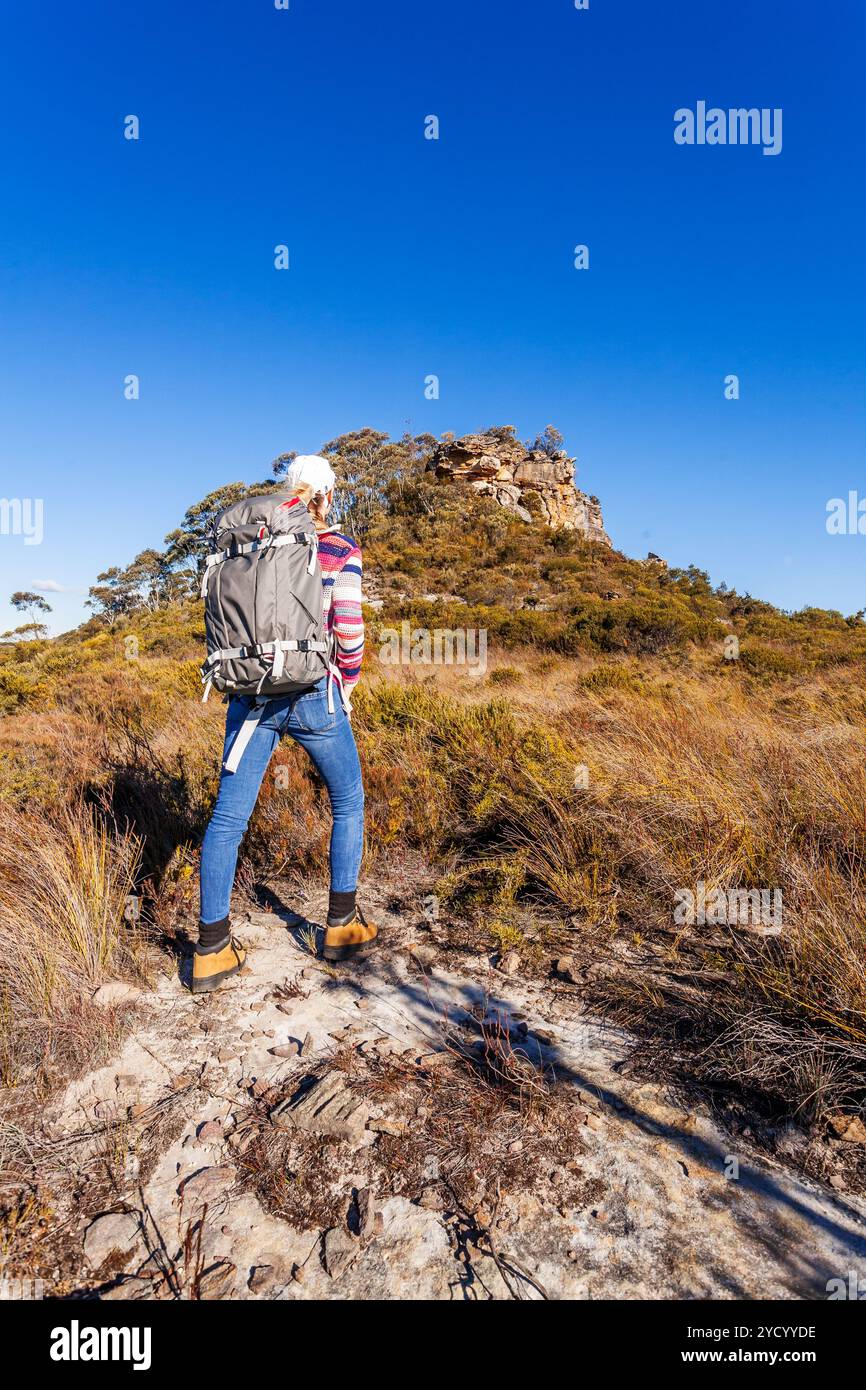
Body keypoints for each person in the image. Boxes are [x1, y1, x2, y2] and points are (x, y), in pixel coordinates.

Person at [192, 454, 377, 993]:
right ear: (324, 496)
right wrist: (346, 684)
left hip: (250, 693)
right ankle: (341, 926)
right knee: (348, 800)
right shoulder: (339, 547)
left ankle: (210, 950)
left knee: (227, 819)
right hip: (315, 689)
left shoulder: (249, 545)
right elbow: (349, 627)